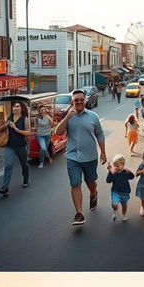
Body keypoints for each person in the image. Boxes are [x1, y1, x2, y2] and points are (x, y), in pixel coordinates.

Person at [54, 90, 107, 226]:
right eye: (76, 100)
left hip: (90, 157)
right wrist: (67, 118)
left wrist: (103, 152)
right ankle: (79, 213)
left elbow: (100, 134)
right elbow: (57, 132)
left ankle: (93, 193)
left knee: (90, 182)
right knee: (75, 183)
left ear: (85, 101)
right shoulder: (68, 116)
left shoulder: (93, 116)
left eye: (81, 100)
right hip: (72, 157)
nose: (78, 102)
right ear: (72, 101)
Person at [0, 101, 31, 197]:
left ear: (21, 108)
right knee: (8, 166)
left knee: (24, 164)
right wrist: (6, 125)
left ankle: (26, 179)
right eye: (14, 107)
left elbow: (27, 133)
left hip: (21, 146)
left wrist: (15, 128)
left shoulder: (25, 119)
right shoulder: (9, 118)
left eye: (17, 106)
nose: (14, 108)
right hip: (9, 146)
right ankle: (5, 188)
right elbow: (1, 129)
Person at [106, 154, 135, 222]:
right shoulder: (113, 172)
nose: (115, 167)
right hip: (115, 191)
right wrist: (109, 172)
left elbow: (132, 177)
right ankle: (115, 210)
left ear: (123, 165)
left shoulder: (126, 172)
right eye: (114, 165)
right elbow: (108, 181)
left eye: (117, 166)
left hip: (125, 192)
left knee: (124, 204)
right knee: (114, 204)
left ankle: (124, 214)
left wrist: (129, 171)